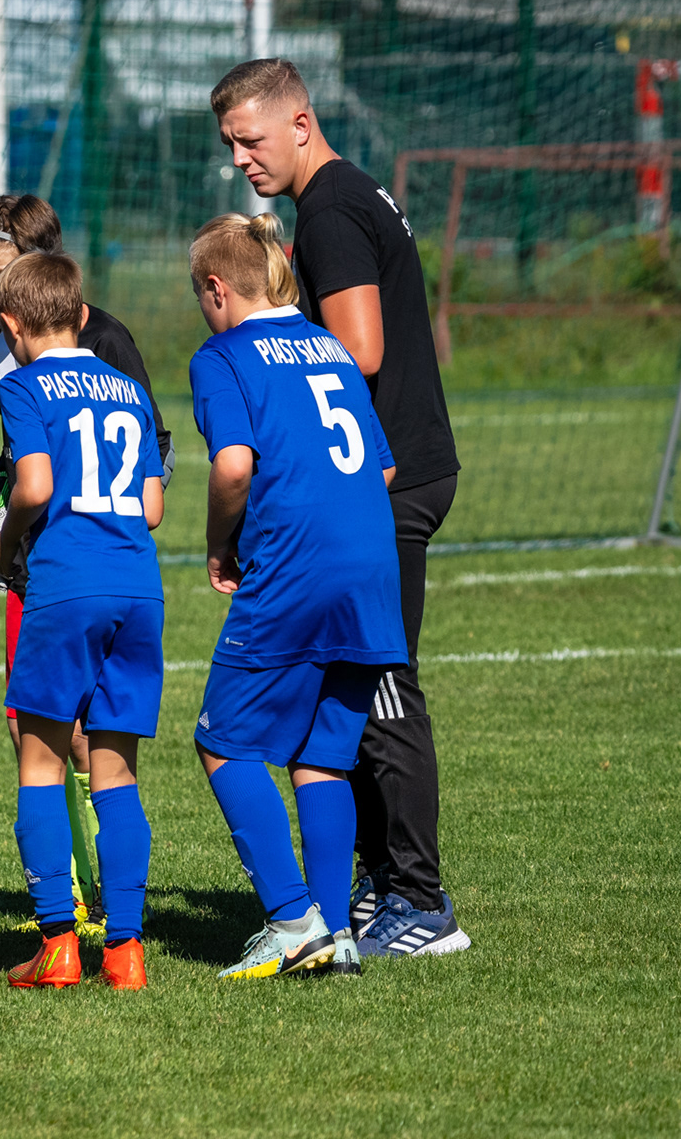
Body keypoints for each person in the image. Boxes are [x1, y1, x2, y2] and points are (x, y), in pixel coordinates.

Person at [212, 58, 469, 959]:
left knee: (381, 684)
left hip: (385, 479)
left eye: (250, 139)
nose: (240, 159)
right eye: (230, 144)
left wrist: (274, 354)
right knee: (345, 690)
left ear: (300, 123)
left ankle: (421, 903)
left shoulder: (327, 211)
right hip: (381, 471)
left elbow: (358, 350)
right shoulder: (349, 193)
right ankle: (376, 884)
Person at [186, 211, 406, 980]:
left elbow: (234, 465)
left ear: (217, 288)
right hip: (371, 568)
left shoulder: (222, 355)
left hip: (294, 566)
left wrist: (220, 544)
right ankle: (337, 933)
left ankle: (290, 921)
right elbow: (382, 467)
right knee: (322, 757)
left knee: (223, 742)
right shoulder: (330, 347)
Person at [0, 193, 172, 937]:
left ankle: (71, 918)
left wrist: (15, 528)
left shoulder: (104, 340)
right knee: (38, 732)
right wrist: (2, 508)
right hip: (117, 572)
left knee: (60, 742)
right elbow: (31, 452)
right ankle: (99, 916)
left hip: (67, 557)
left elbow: (139, 452)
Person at [0, 252, 164, 992]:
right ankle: (126, 953)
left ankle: (58, 944)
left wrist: (6, 543)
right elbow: (152, 508)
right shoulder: (128, 387)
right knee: (116, 772)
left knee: (41, 762)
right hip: (138, 587)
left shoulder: (24, 384)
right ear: (79, 312)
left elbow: (33, 485)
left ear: (12, 323)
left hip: (67, 584)